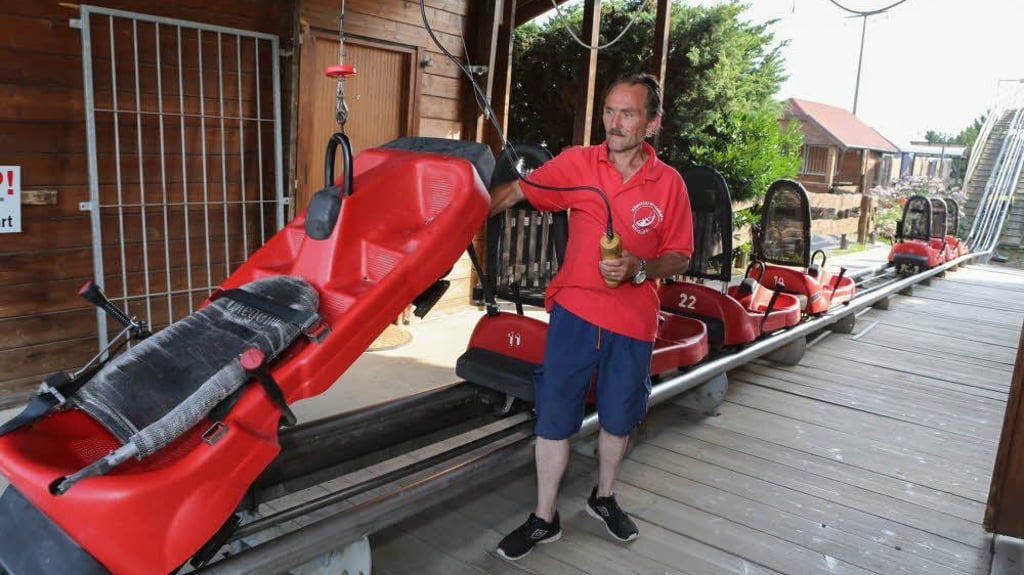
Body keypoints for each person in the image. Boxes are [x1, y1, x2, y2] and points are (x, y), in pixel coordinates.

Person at [489, 73, 693, 561]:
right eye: (609, 111)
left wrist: (640, 267)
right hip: (575, 314)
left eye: (627, 113)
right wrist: (457, 219)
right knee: (554, 419)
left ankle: (603, 497)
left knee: (619, 419)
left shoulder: (669, 184)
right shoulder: (577, 163)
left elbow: (680, 255)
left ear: (653, 122)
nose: (614, 123)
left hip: (633, 320)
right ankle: (544, 517)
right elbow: (517, 191)